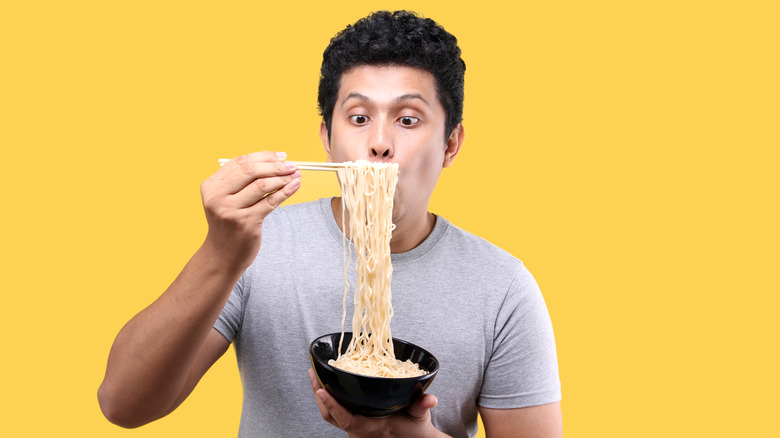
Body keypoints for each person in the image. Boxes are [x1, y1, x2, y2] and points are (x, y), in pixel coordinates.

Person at [98, 10, 562, 438]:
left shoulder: (502, 287)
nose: (379, 143)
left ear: (450, 143)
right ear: (327, 137)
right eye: (358, 117)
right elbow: (123, 404)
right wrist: (219, 255)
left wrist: (411, 435)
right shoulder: (261, 244)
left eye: (407, 118)